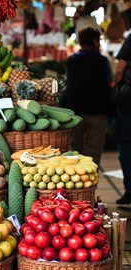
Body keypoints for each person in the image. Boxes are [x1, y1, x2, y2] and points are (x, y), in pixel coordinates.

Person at [62, 27, 113, 167]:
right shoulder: (103, 61)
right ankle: (91, 177)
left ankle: (78, 179)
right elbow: (110, 82)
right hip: (98, 111)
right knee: (94, 150)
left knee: (75, 148)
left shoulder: (72, 60)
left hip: (76, 110)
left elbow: (69, 83)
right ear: (95, 41)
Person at [114, 33, 131, 205]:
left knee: (126, 146)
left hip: (128, 105)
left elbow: (120, 69)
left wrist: (115, 85)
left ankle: (130, 190)